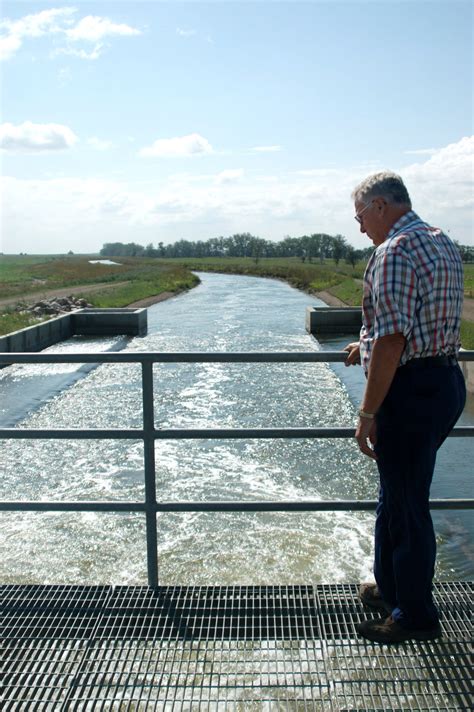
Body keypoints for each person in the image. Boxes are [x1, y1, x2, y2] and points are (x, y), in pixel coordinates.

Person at [344, 171, 466, 644]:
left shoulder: (392, 252)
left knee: (408, 504)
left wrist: (367, 413)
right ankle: (389, 586)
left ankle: (415, 616)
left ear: (380, 205)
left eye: (360, 217)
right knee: (396, 494)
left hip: (410, 390)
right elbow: (413, 321)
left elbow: (394, 339)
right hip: (443, 381)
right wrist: (365, 345)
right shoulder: (440, 241)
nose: (359, 228)